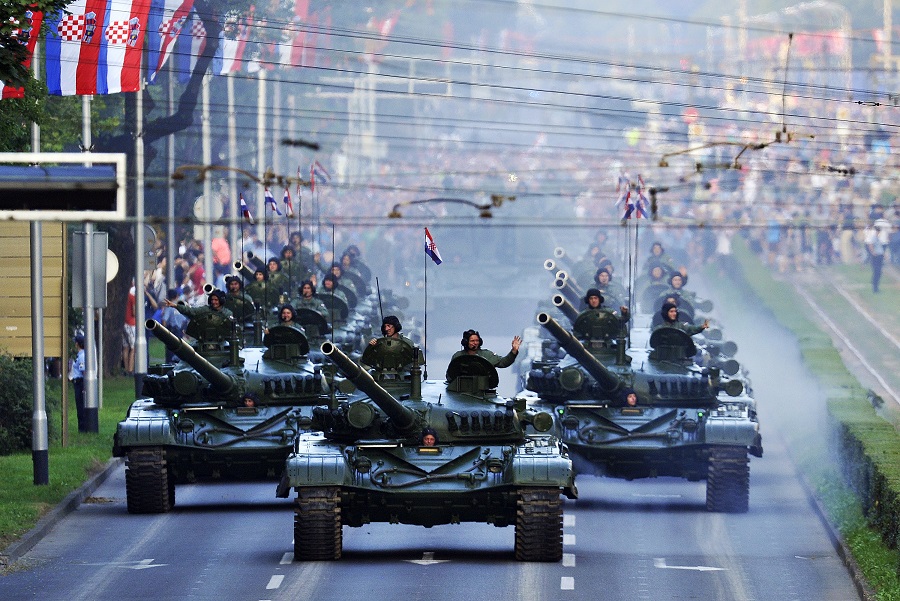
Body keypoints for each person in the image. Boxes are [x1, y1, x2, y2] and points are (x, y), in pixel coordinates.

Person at [452, 329, 521, 368]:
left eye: (477, 341)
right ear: (466, 342)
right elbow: (451, 373)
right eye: (472, 341)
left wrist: (514, 351)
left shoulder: (486, 355)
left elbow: (503, 362)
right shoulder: (458, 356)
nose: (475, 343)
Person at [865, 218, 891, 293]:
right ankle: (875, 287)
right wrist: (873, 252)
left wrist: (883, 254)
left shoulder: (877, 238)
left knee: (878, 272)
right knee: (877, 271)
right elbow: (870, 244)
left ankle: (875, 285)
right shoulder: (874, 237)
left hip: (879, 256)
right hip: (876, 256)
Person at [70, 335, 87, 432]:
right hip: (77, 382)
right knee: (79, 405)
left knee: (80, 405)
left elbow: (83, 371)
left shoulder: (82, 356)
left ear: (77, 344)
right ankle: (81, 427)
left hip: (80, 383)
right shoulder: (80, 355)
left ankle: (82, 428)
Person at [122, 281, 136, 376]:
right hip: (131, 323)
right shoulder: (131, 297)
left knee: (125, 347)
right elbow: (134, 312)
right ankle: (130, 369)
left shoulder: (121, 298)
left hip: (123, 323)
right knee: (133, 347)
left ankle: (126, 368)